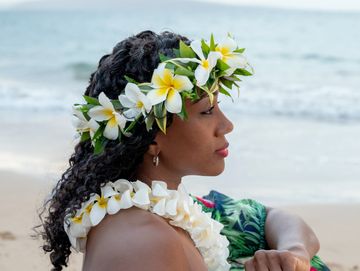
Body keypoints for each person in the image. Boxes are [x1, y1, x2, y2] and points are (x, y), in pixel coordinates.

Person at [39, 30, 330, 271]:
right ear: (151, 136)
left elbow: (271, 217)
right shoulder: (143, 242)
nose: (226, 125)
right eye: (207, 111)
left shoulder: (176, 208)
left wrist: (294, 251)